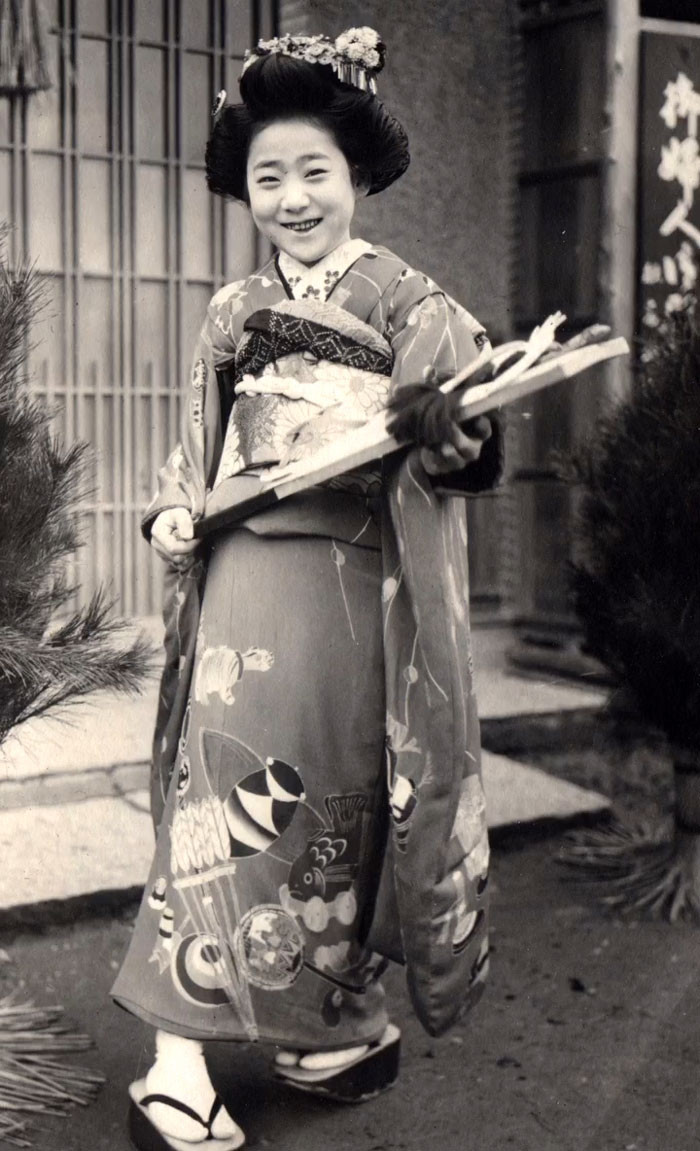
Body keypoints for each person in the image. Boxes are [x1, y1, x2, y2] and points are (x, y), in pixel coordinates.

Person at [112, 27, 501, 1151]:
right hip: (247, 584)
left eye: (312, 172)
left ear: (359, 176)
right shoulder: (232, 314)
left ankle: (332, 1020)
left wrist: (449, 433)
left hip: (358, 588)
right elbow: (197, 444)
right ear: (245, 187)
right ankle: (175, 1056)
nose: (291, 198)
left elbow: (463, 451)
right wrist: (174, 508)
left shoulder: (411, 301)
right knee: (222, 806)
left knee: (337, 812)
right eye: (267, 176)